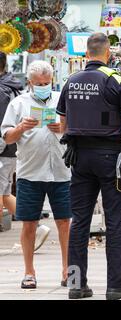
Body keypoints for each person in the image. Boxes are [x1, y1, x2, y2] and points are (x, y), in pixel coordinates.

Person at [56, 32, 121, 300]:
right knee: (115, 221)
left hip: (79, 158)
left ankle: (75, 284)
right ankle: (116, 284)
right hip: (110, 157)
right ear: (108, 53)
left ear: (86, 54)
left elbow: (63, 125)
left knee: (79, 221)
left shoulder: (70, 81)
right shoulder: (115, 80)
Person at [1, 60, 71, 289]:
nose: (43, 86)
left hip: (61, 171)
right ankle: (29, 271)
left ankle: (67, 269)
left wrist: (63, 128)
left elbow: (77, 130)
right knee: (29, 223)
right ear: (30, 83)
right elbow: (7, 137)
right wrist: (21, 128)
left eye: (46, 82)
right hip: (30, 172)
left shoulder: (62, 99)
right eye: (38, 83)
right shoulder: (19, 103)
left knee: (64, 222)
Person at [0, 51, 21, 232]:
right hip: (9, 147)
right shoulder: (11, 85)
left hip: (3, 149)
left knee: (2, 191)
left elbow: (2, 123)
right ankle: (34, 226)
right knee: (4, 193)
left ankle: (35, 227)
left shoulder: (2, 90)